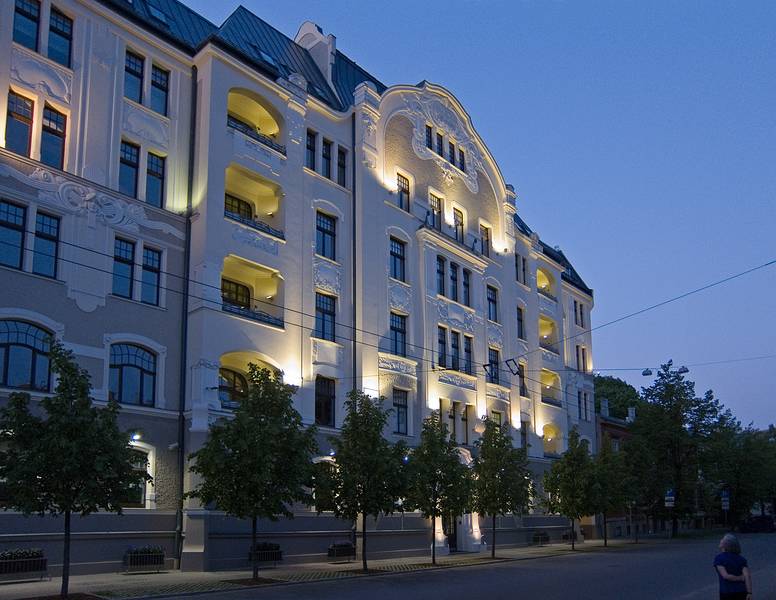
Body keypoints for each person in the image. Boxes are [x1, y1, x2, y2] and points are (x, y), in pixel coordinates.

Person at [713, 533, 752, 600]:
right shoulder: (741, 559)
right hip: (741, 591)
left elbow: (725, 576)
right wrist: (749, 592)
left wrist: (739, 578)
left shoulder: (719, 558)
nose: (721, 540)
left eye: (723, 539)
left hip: (726, 592)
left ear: (726, 545)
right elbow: (747, 576)